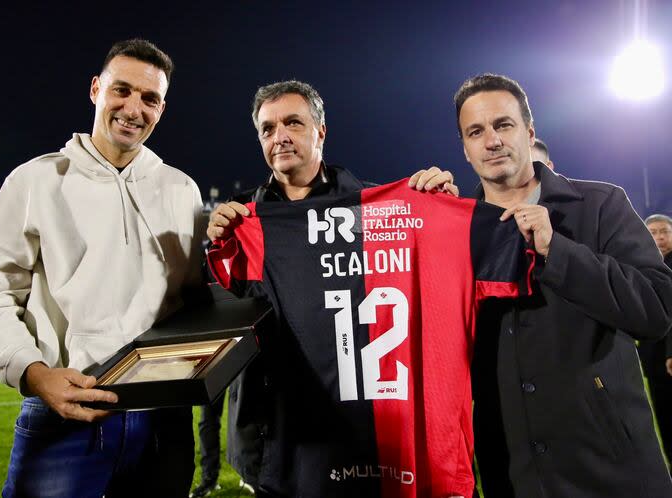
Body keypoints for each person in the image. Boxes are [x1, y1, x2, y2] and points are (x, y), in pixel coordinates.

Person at [207, 80, 461, 497]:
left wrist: (437, 211)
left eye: (293, 122)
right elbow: (218, 311)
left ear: (320, 131)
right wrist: (219, 248)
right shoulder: (243, 224)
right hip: (279, 438)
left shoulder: (377, 211)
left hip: (363, 433)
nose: (280, 136)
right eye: (268, 129)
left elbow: (435, 275)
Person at [0, 39, 204, 498]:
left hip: (163, 420)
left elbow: (194, 303)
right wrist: (36, 374)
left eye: (149, 98)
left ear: (162, 108)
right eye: (122, 90)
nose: (133, 108)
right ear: (96, 89)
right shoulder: (34, 180)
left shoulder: (182, 190)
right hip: (67, 412)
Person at [454, 73, 672, 497]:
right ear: (464, 148)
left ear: (529, 132)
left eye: (503, 125)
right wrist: (425, 211)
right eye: (476, 132)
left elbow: (657, 310)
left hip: (611, 469)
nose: (492, 141)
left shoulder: (601, 203)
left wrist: (559, 252)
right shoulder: (455, 229)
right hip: (514, 472)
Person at [638, 213, 672, 468]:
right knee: (664, 416)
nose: (659, 237)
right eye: (652, 232)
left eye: (664, 232)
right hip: (654, 358)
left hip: (669, 354)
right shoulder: (643, 265)